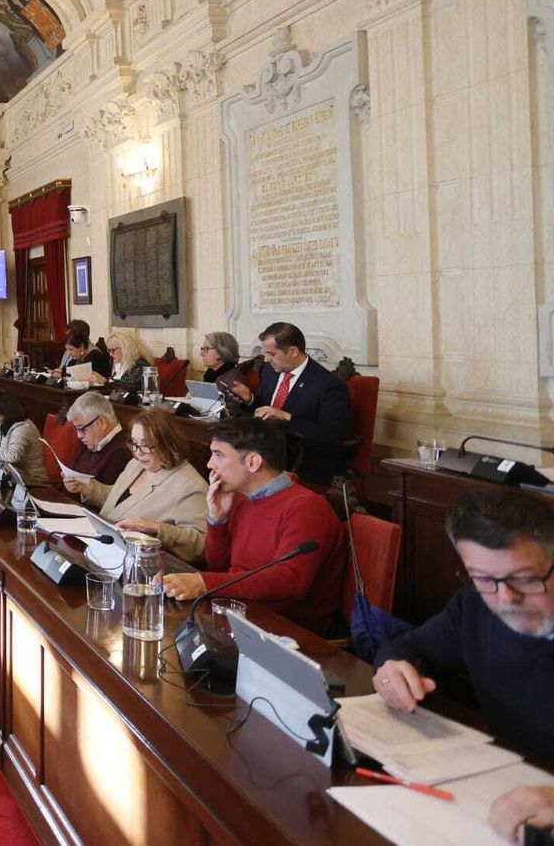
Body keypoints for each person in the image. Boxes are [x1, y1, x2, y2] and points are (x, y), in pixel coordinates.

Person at [373, 488, 554, 834]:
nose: (505, 599)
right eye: (484, 579)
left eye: (525, 579)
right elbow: (409, 646)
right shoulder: (473, 605)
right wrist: (392, 670)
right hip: (500, 787)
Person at [164, 418, 348, 634]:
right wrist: (218, 519)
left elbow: (289, 582)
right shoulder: (241, 498)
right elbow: (219, 567)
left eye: (219, 455)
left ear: (252, 462)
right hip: (240, 612)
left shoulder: (306, 506)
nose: (209, 464)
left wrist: (204, 583)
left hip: (287, 631)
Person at [70, 408, 207, 565]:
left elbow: (201, 544)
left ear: (168, 442)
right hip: (104, 551)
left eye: (146, 444)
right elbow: (120, 504)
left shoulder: (190, 485)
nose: (138, 452)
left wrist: (157, 528)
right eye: (134, 443)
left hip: (145, 566)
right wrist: (87, 488)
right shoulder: (136, 464)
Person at [225, 322, 349, 486]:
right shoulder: (269, 371)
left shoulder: (328, 385)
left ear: (292, 351)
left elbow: (331, 436)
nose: (267, 359)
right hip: (265, 450)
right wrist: (250, 400)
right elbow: (266, 410)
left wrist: (288, 417)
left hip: (303, 460)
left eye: (272, 354)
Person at [63, 392, 135, 484]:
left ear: (102, 422)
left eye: (82, 429)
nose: (79, 436)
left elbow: (106, 497)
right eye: (76, 429)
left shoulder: (120, 454)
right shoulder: (91, 443)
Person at [94, 327, 156, 392]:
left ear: (126, 348)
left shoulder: (140, 364)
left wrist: (104, 381)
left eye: (113, 350)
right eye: (109, 350)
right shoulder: (123, 363)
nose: (111, 354)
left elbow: (128, 388)